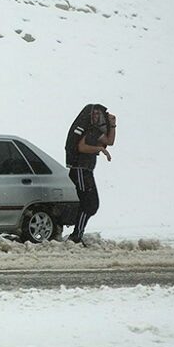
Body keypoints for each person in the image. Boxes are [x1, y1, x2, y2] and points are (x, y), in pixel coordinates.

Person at [64, 104, 116, 245]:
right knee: (88, 203)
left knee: (91, 204)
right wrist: (100, 149)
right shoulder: (89, 130)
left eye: (99, 115)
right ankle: (76, 235)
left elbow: (109, 141)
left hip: (86, 170)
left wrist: (112, 125)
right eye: (95, 114)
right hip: (80, 169)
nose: (97, 117)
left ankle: (78, 234)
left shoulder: (95, 131)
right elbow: (82, 147)